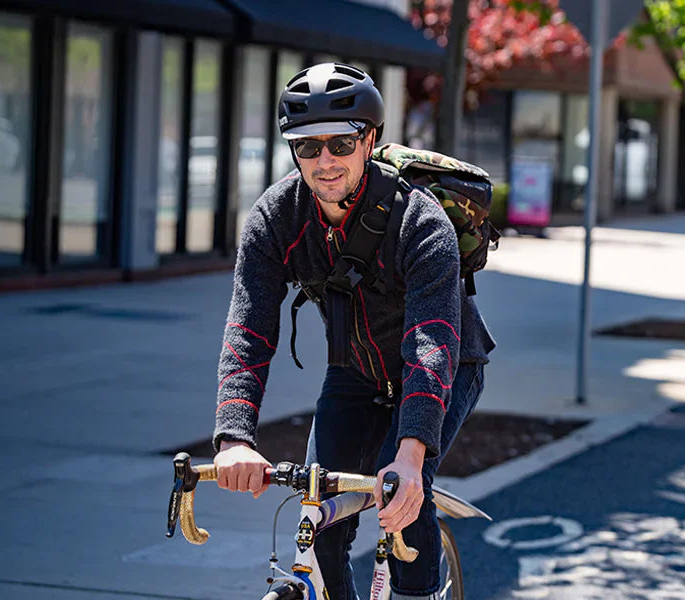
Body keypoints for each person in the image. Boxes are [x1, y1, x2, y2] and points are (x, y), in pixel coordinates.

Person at [209, 63, 495, 600]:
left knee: (403, 499)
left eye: (340, 143)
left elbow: (431, 344)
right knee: (319, 517)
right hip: (355, 373)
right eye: (307, 147)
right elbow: (249, 326)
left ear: (369, 140)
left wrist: (410, 458)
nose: (325, 161)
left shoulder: (420, 221)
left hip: (445, 369)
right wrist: (233, 436)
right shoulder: (277, 219)